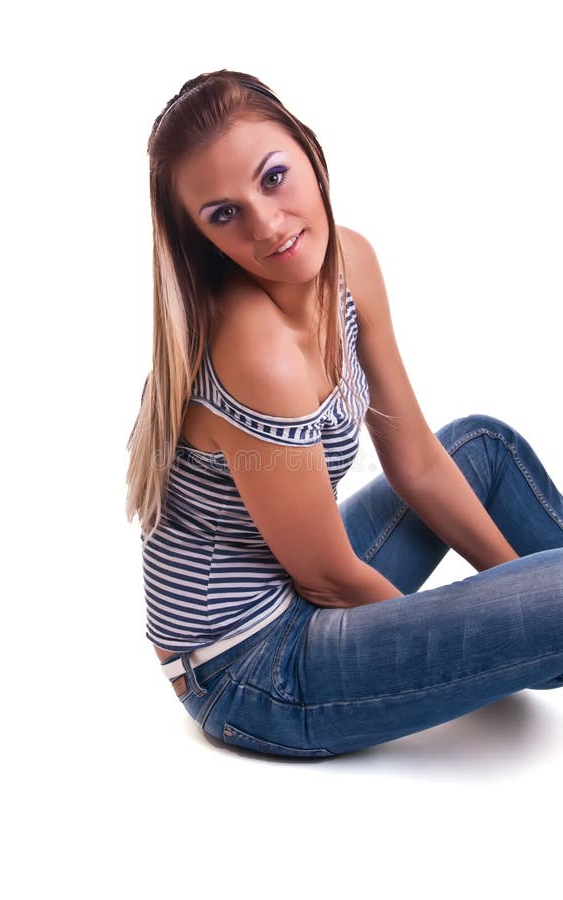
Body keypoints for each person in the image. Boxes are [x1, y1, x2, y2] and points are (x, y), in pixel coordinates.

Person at [125, 68, 563, 758]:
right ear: (200, 240)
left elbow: (416, 458)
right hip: (250, 669)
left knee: (482, 447)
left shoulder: (349, 262)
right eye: (224, 214)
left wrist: (521, 609)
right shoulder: (254, 348)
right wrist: (511, 620)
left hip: (295, 580)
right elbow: (325, 576)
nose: (267, 224)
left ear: (310, 152)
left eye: (272, 178)